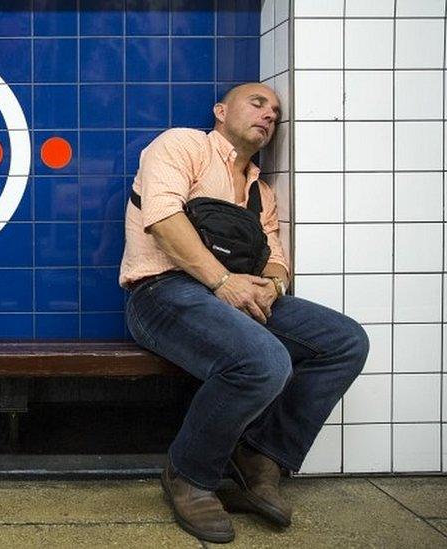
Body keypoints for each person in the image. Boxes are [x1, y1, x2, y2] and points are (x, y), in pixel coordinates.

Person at [119, 82, 369, 544]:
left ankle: (258, 456)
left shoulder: (262, 192)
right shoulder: (182, 145)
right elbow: (162, 219)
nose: (269, 114)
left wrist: (271, 287)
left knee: (344, 342)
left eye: (275, 111)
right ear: (220, 110)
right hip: (162, 294)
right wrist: (221, 282)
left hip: (239, 297)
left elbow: (277, 258)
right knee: (263, 361)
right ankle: (190, 475)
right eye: (257, 103)